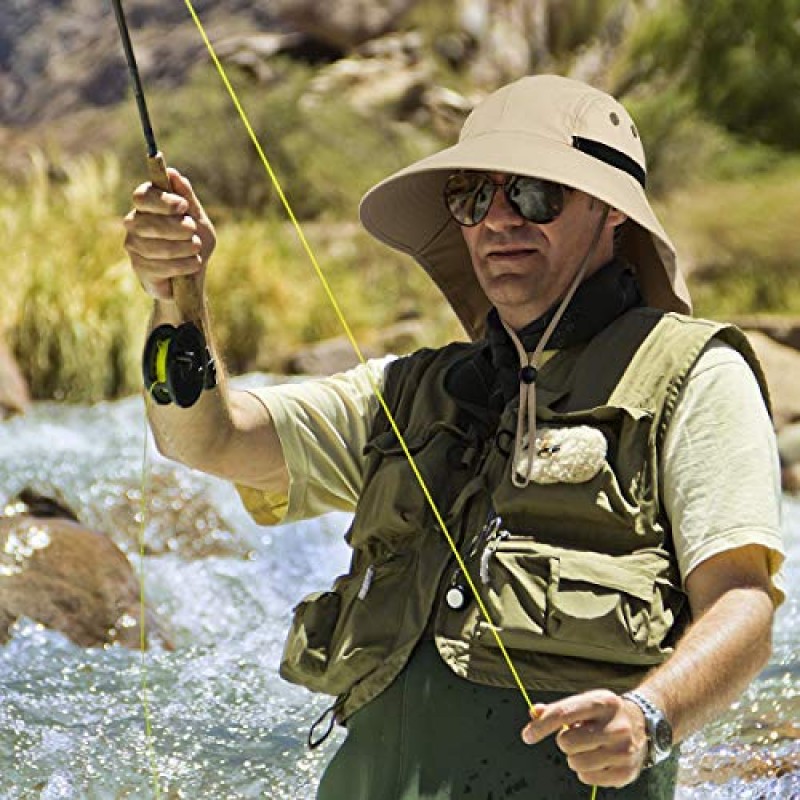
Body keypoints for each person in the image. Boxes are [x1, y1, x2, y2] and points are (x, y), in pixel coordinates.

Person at [123, 74, 785, 799]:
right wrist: (176, 294)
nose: (499, 219)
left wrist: (648, 717)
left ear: (610, 212)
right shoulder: (408, 392)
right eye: (473, 196)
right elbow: (209, 438)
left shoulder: (695, 374)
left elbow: (743, 605)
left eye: (534, 194)